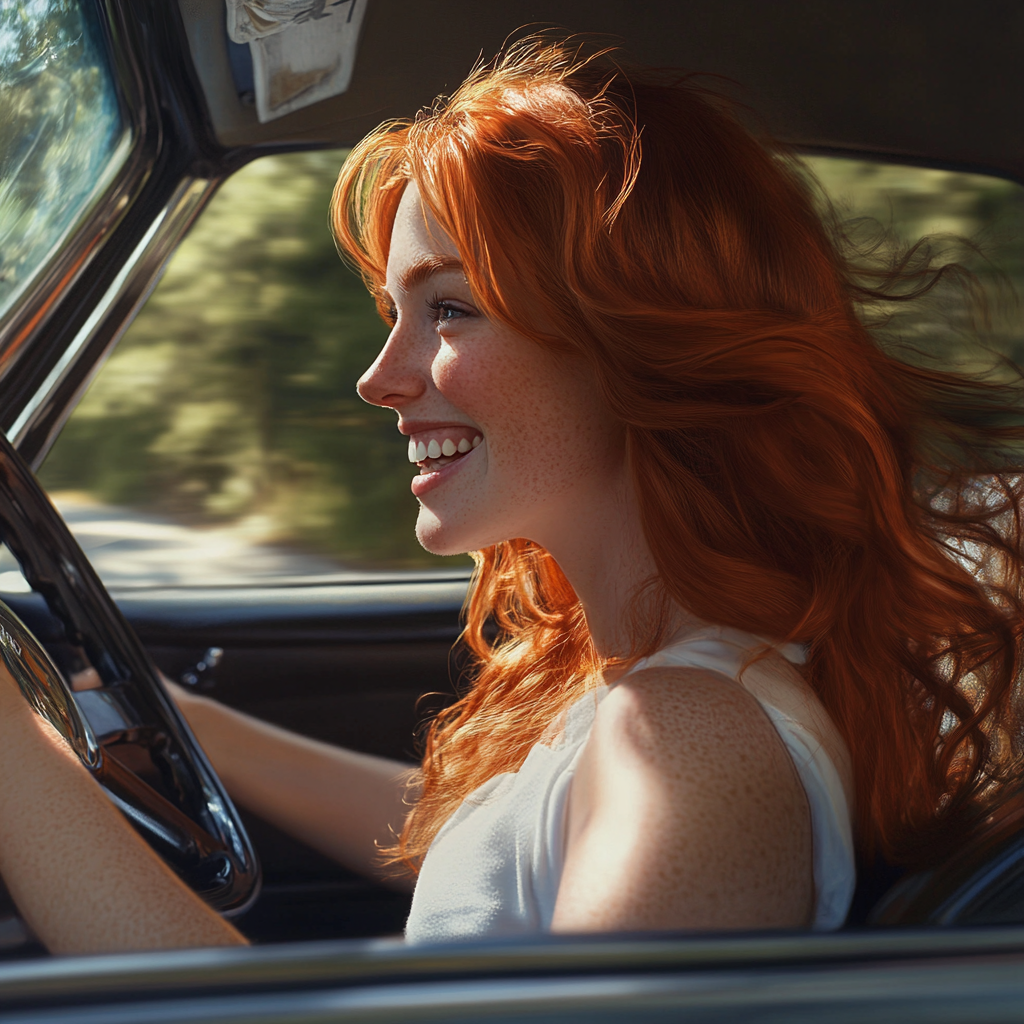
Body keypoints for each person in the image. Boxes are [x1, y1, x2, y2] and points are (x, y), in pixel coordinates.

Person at [2, 33, 1024, 952]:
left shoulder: (690, 737)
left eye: (447, 309)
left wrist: (13, 753)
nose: (378, 378)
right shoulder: (661, 684)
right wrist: (197, 727)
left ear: (636, 340)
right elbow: (485, 852)